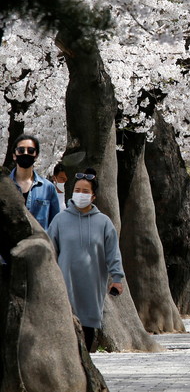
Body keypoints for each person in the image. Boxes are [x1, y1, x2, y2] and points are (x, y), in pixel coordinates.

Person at [48, 167, 124, 352]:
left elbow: (113, 252)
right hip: (65, 283)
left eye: (85, 191)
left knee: (88, 326)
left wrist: (117, 279)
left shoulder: (104, 222)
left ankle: (87, 369)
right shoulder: (59, 220)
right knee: (67, 326)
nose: (80, 194)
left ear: (93, 196)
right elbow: (50, 252)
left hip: (92, 285)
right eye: (77, 190)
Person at [9, 134, 61, 230]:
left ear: (36, 156)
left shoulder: (48, 188)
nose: (25, 153)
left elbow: (55, 225)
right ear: (14, 155)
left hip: (39, 243)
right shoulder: (4, 188)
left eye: (31, 151)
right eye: (21, 150)